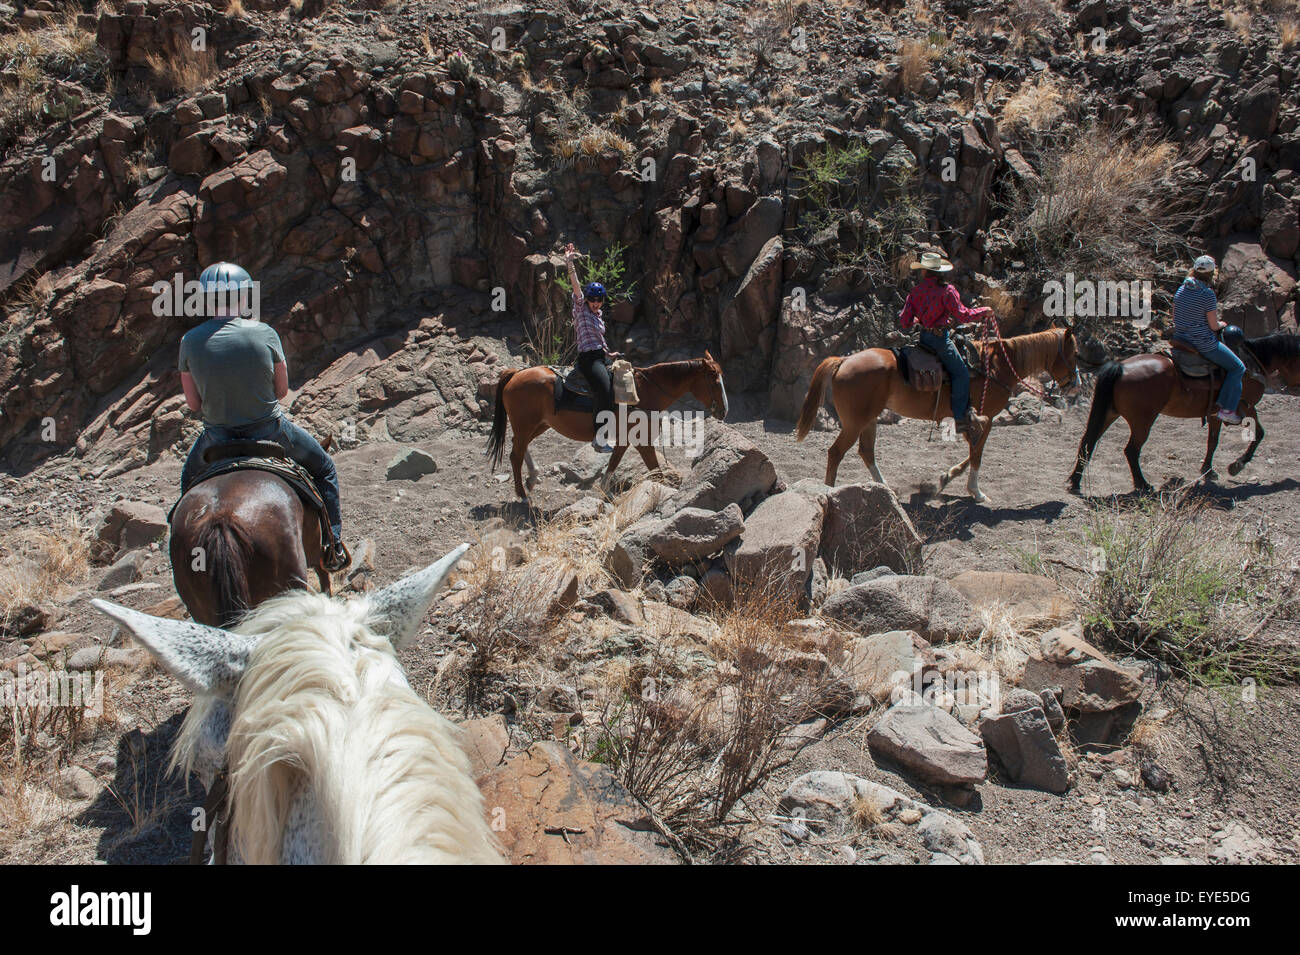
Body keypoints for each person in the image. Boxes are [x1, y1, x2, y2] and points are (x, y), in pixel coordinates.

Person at [178, 262, 350, 570]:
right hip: (270, 431)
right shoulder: (265, 333)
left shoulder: (190, 341)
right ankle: (333, 546)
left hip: (217, 437)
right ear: (243, 297)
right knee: (324, 469)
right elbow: (282, 391)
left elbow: (193, 404)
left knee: (187, 485)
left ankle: (187, 556)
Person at [899, 251, 992, 435]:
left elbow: (904, 322)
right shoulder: (947, 291)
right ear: (940, 271)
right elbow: (963, 315)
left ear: (924, 272)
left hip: (924, 339)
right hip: (940, 341)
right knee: (961, 373)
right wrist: (984, 311)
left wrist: (919, 319)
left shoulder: (915, 292)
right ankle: (960, 419)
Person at [1171, 254, 1244, 424]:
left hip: (1180, 338)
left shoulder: (1181, 289)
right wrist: (1222, 323)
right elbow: (1213, 325)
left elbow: (1174, 316)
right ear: (1211, 274)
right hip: (1202, 342)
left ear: (1194, 270)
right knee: (1238, 367)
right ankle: (1227, 409)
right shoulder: (1207, 294)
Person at [563, 242, 620, 453]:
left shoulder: (598, 317)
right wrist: (570, 263)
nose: (596, 303)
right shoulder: (581, 309)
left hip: (600, 356)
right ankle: (599, 438)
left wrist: (609, 353)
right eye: (592, 299)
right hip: (588, 359)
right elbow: (576, 287)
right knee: (604, 390)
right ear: (586, 300)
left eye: (599, 299)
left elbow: (599, 341)